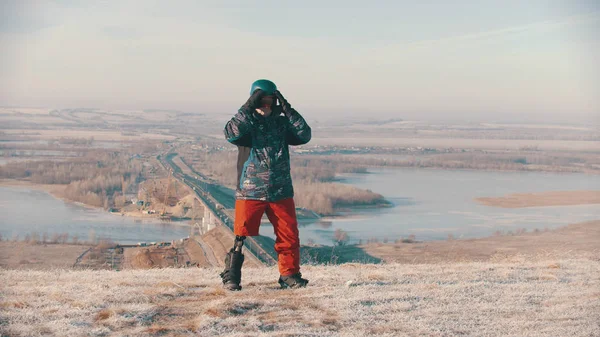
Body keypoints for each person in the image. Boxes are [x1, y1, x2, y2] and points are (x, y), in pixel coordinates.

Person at [220, 79, 312, 290]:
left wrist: (287, 109)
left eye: (269, 100)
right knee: (241, 233)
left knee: (289, 234)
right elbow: (231, 132)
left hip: (280, 190)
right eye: (261, 99)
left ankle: (289, 275)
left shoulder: (281, 125)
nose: (266, 104)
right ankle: (232, 276)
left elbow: (304, 134)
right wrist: (248, 106)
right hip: (250, 190)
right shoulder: (247, 125)